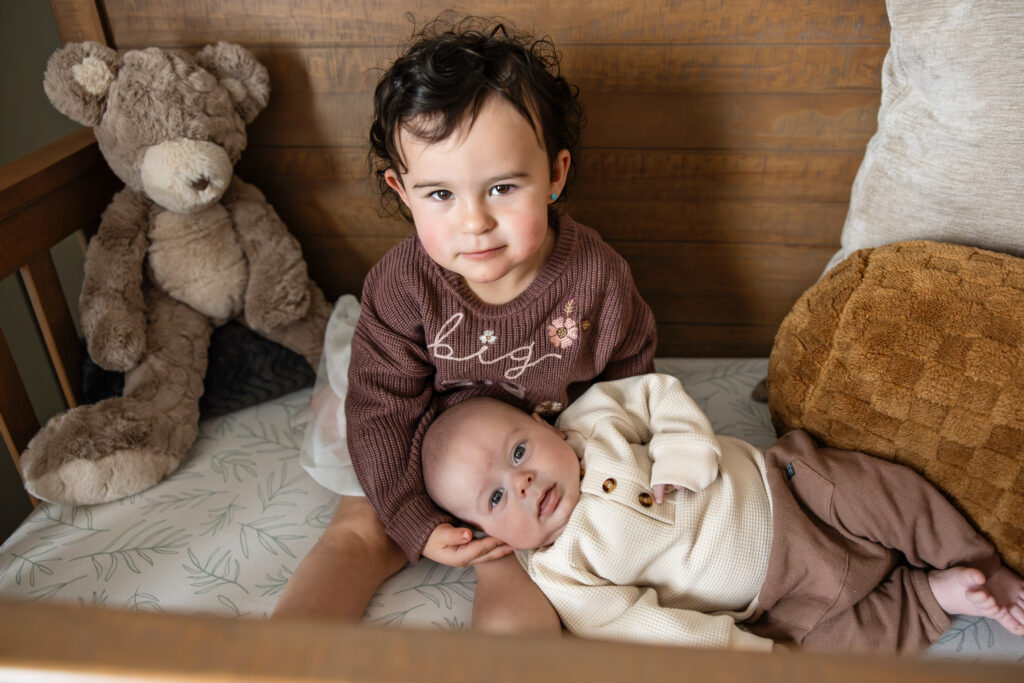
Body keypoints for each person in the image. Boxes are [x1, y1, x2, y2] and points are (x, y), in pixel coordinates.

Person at [272, 15, 657, 632]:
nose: (474, 222)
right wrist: (412, 520)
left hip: (526, 453)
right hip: (408, 430)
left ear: (555, 175)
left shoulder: (597, 278)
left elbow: (628, 382)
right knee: (361, 532)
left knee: (523, 557)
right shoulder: (403, 287)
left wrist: (602, 455)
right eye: (440, 194)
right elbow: (381, 411)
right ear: (402, 191)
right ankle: (274, 661)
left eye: (501, 187)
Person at [422, 373, 1024, 653]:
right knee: (830, 654)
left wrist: (682, 451)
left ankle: (975, 558)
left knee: (878, 491)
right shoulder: (563, 575)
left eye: (519, 452)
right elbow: (643, 630)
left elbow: (657, 393)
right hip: (776, 602)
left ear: (544, 424)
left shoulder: (593, 423)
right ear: (488, 535)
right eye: (496, 498)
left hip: (792, 493)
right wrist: (742, 654)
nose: (522, 483)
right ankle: (936, 597)